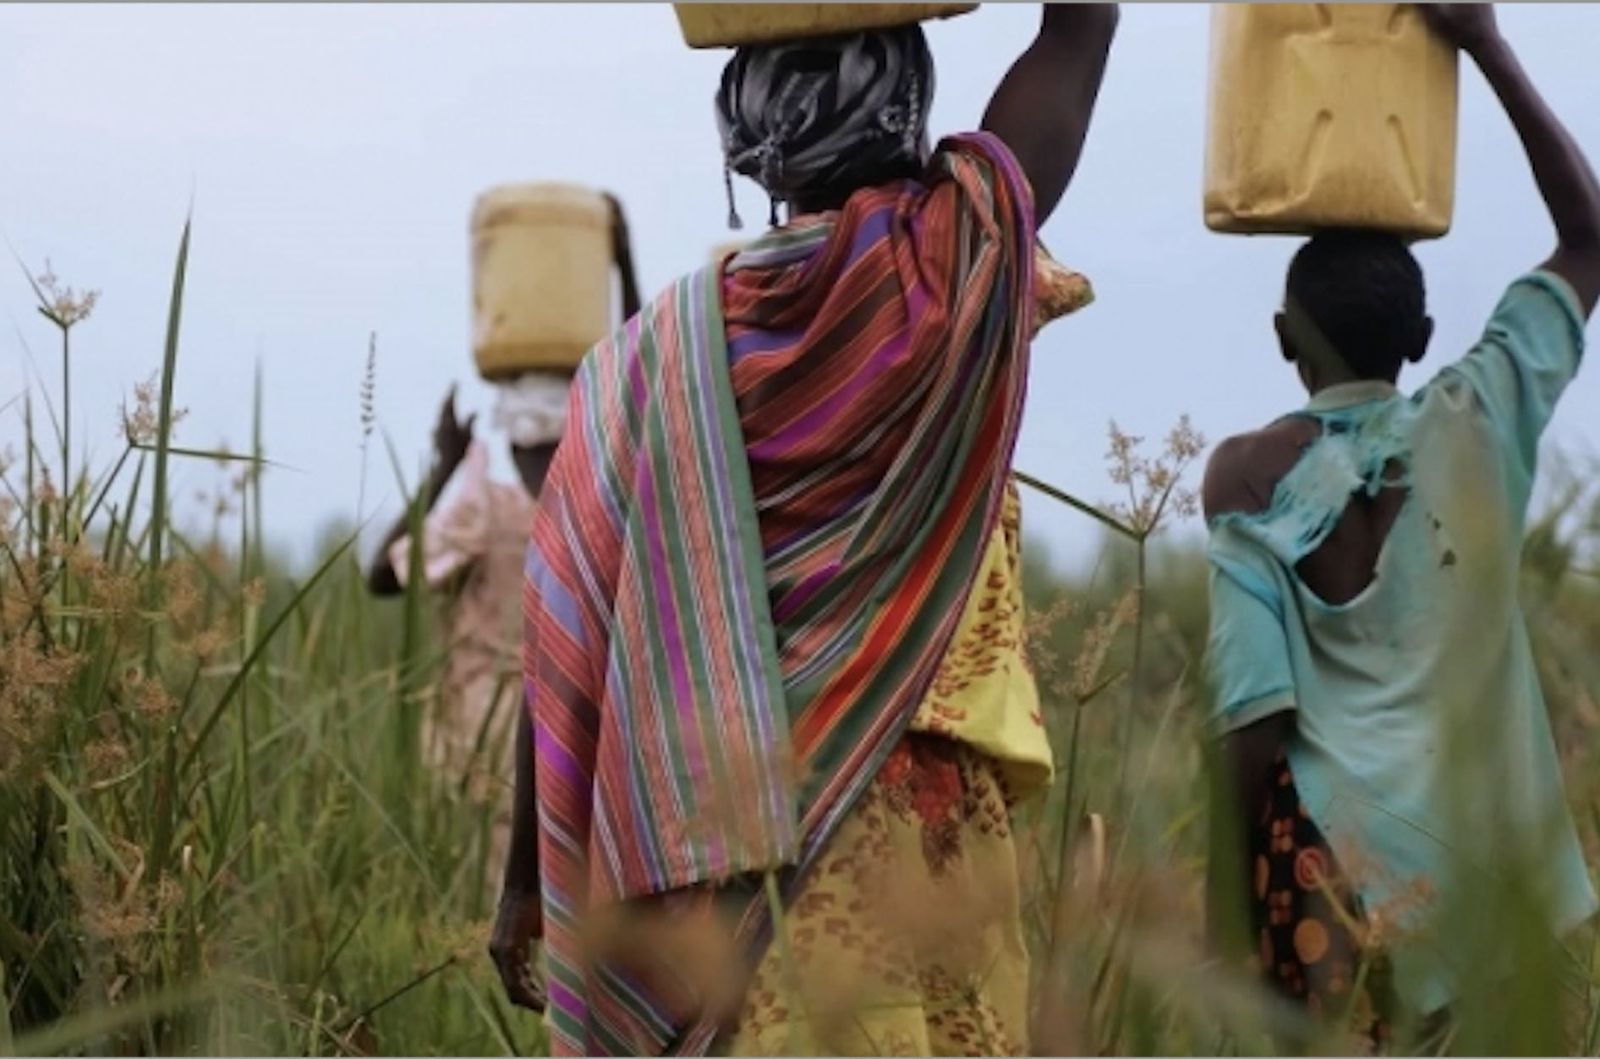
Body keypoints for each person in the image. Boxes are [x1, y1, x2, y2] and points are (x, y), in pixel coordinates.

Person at [489, 7, 1117, 1056]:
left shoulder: (642, 365)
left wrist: (524, 881)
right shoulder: (941, 278)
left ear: (740, 135)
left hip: (730, 866)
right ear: (910, 114)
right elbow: (1078, 32)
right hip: (927, 838)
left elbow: (563, 637)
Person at [1202, 3, 1600, 1044]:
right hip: (1486, 873)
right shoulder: (1482, 415)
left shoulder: (1243, 477)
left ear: (1284, 337)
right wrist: (1484, 44)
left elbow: (1252, 717)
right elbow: (1589, 237)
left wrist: (1222, 918)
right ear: (1424, 335)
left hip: (1332, 876)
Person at [367, 195, 639, 887]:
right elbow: (639, 380)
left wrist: (441, 469)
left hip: (485, 737)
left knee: (489, 900)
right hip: (572, 736)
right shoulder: (600, 498)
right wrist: (621, 260)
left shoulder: (484, 501)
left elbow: (383, 576)